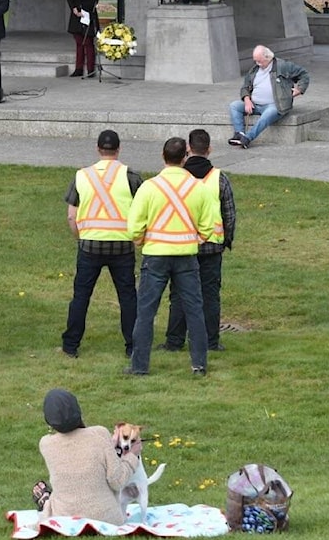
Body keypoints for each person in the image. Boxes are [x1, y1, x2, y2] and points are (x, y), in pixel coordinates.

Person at [125, 137, 215, 376]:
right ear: (185, 157)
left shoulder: (149, 187)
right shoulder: (199, 187)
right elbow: (208, 227)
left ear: (162, 156)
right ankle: (199, 364)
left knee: (146, 311)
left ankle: (139, 366)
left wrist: (143, 240)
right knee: (194, 310)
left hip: (155, 255)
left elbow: (134, 227)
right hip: (186, 256)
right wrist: (193, 239)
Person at [61, 130, 143, 358]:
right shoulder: (132, 177)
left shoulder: (82, 176)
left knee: (81, 296)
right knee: (127, 297)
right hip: (122, 246)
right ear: (118, 150)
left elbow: (71, 215)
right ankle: (133, 345)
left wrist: (80, 237)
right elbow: (141, 211)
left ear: (98, 149)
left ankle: (71, 345)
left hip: (90, 245)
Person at [159, 129, 237, 352]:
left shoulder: (179, 177)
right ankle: (211, 341)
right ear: (209, 149)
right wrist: (226, 240)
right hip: (212, 245)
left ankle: (174, 341)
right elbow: (229, 214)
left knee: (179, 294)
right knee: (210, 295)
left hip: (183, 244)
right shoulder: (219, 178)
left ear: (188, 150)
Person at [33, 388, 141, 525]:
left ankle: (46, 502)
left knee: (58, 496)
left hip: (65, 519)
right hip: (107, 519)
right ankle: (47, 500)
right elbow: (117, 481)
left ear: (49, 420)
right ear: (78, 410)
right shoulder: (99, 434)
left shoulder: (46, 444)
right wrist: (132, 455)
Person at [227, 45, 310, 149]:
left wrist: (299, 90)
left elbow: (304, 74)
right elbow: (245, 87)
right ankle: (239, 134)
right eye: (256, 61)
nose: (258, 64)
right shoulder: (254, 70)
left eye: (260, 61)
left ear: (268, 57)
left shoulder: (283, 66)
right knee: (234, 106)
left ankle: (248, 138)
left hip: (276, 105)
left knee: (268, 114)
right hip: (255, 104)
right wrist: (247, 99)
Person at [66, 0, 100, 78]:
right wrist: (74, 9)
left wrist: (84, 10)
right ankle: (78, 68)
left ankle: (91, 69)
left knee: (88, 43)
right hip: (76, 16)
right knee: (79, 42)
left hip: (88, 15)